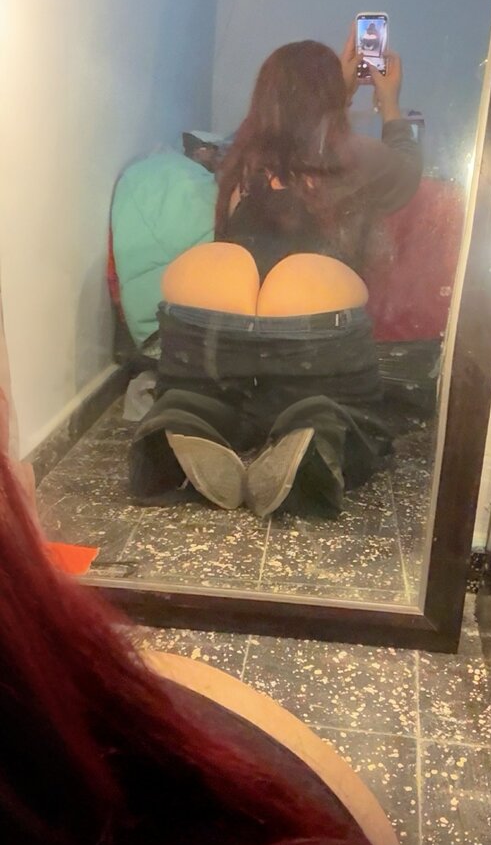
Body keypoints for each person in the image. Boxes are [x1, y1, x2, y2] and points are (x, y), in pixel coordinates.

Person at [0, 393, 411, 845]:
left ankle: (183, 432)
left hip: (212, 356)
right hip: (310, 359)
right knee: (331, 408)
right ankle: (311, 431)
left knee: (182, 401)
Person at [129, 32, 422, 516]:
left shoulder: (240, 160)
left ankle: (186, 416)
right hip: (309, 334)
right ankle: (318, 427)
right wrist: (388, 102)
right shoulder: (356, 157)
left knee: (208, 397)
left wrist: (336, 93)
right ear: (333, 100)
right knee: (343, 413)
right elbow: (409, 172)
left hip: (205, 328)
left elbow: (294, 130)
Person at [110, 131, 226, 351]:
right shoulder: (176, 176)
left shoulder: (149, 173)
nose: (217, 157)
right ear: (198, 151)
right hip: (174, 328)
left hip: (160, 328)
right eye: (214, 151)